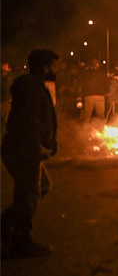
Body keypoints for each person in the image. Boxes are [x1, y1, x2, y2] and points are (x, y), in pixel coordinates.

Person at [1, 50, 60, 258]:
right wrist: (38, 147)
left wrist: (49, 141)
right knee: (28, 194)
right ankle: (21, 242)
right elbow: (30, 123)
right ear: (45, 67)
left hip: (23, 148)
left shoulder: (32, 87)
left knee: (40, 187)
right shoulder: (32, 89)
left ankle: (7, 222)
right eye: (53, 65)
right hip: (25, 149)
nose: (56, 69)